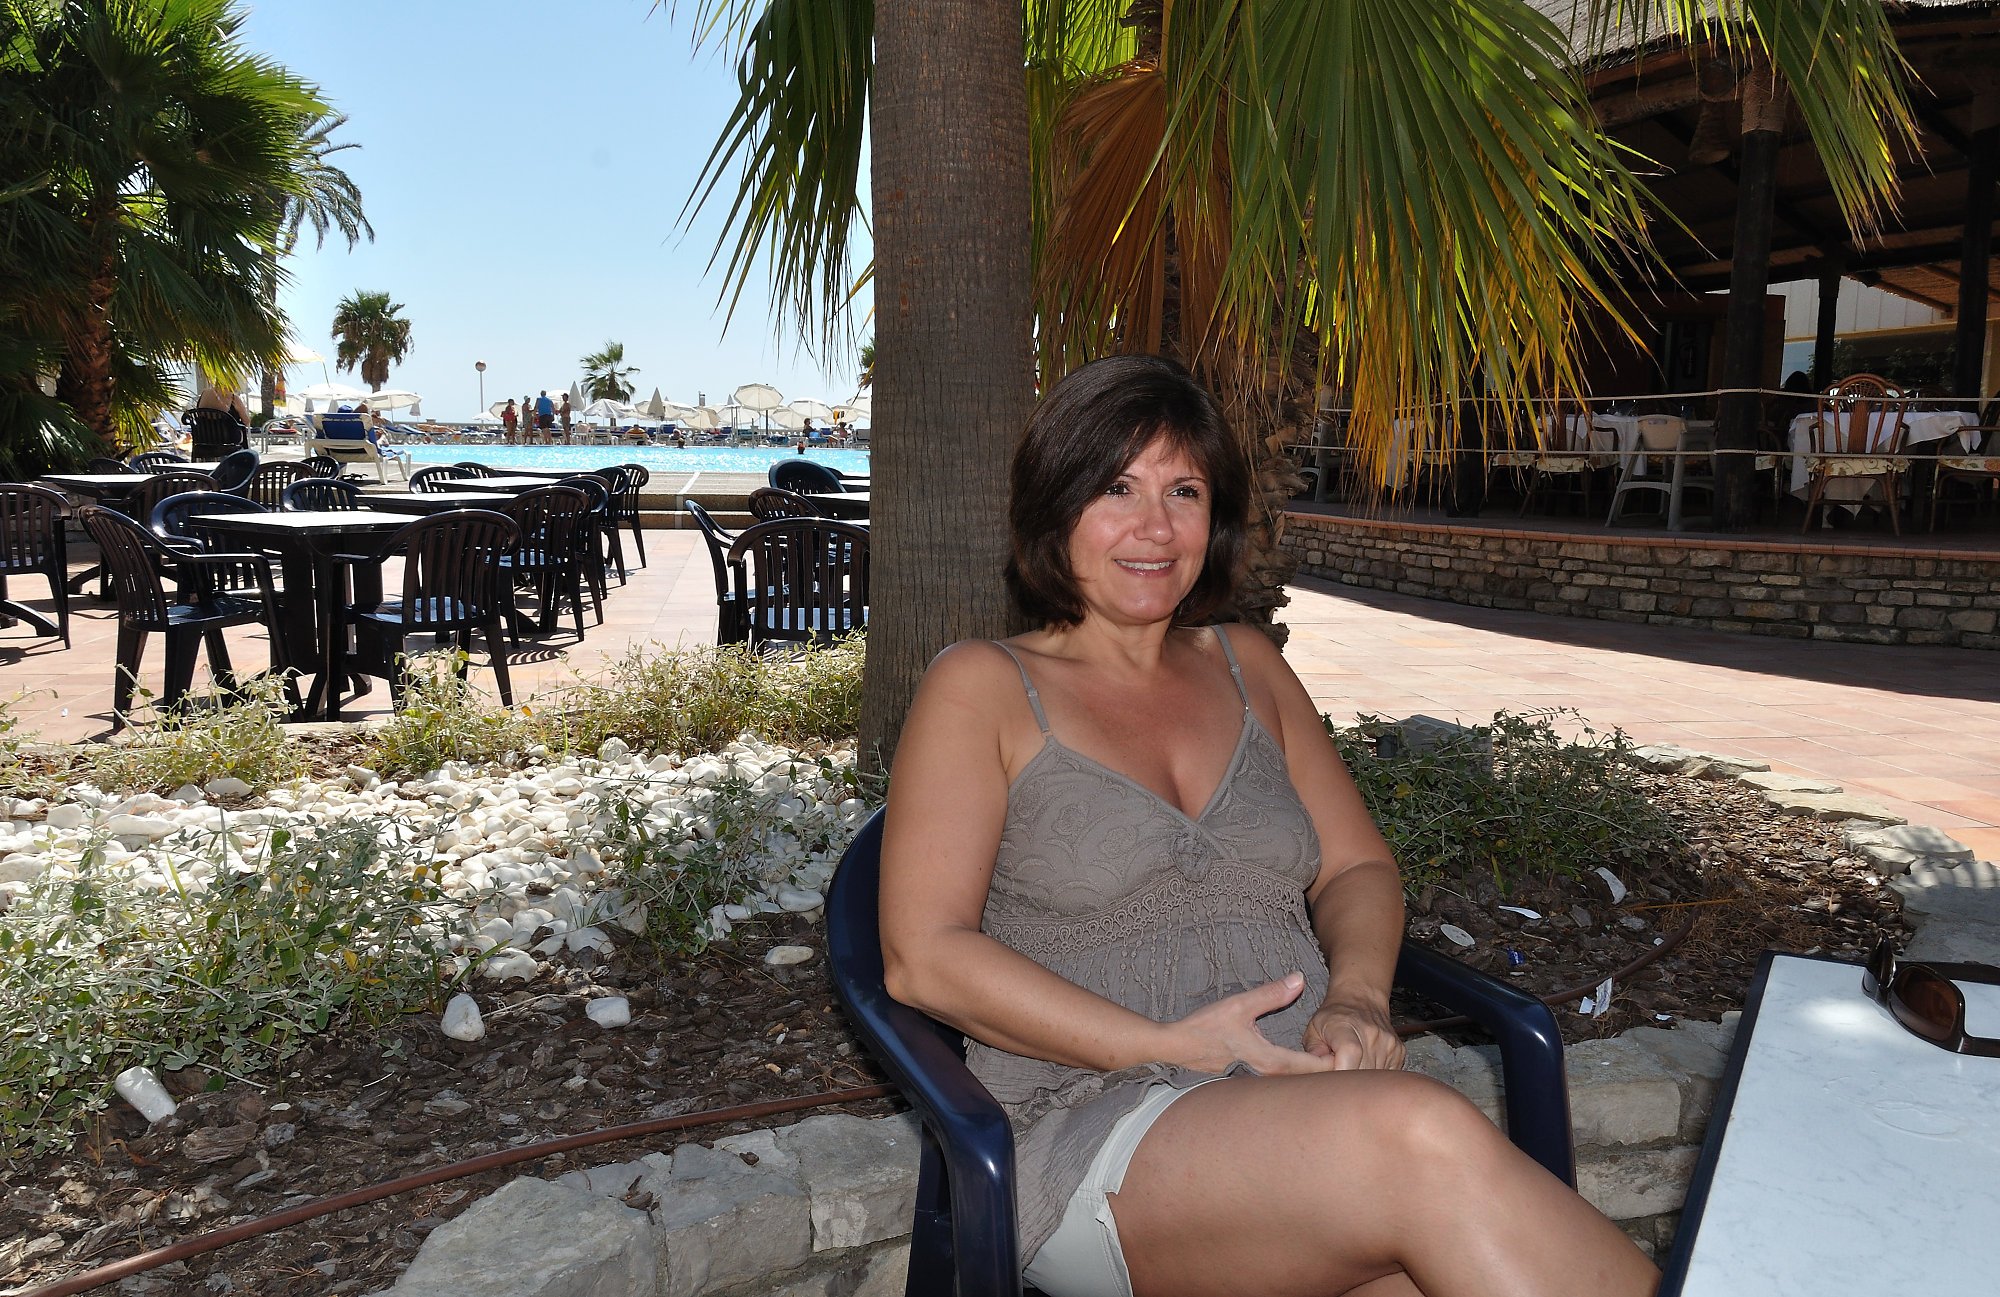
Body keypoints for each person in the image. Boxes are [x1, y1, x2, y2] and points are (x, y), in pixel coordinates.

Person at [879, 354, 1657, 1297]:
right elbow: (925, 957)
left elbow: (1358, 867)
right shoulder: (983, 686)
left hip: (1310, 1101)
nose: (1155, 526)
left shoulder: (1248, 665)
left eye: (1184, 490)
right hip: (1098, 1117)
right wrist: (1167, 1044)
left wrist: (1358, 999)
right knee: (1423, 1136)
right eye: (1117, 488)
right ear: (1055, 508)